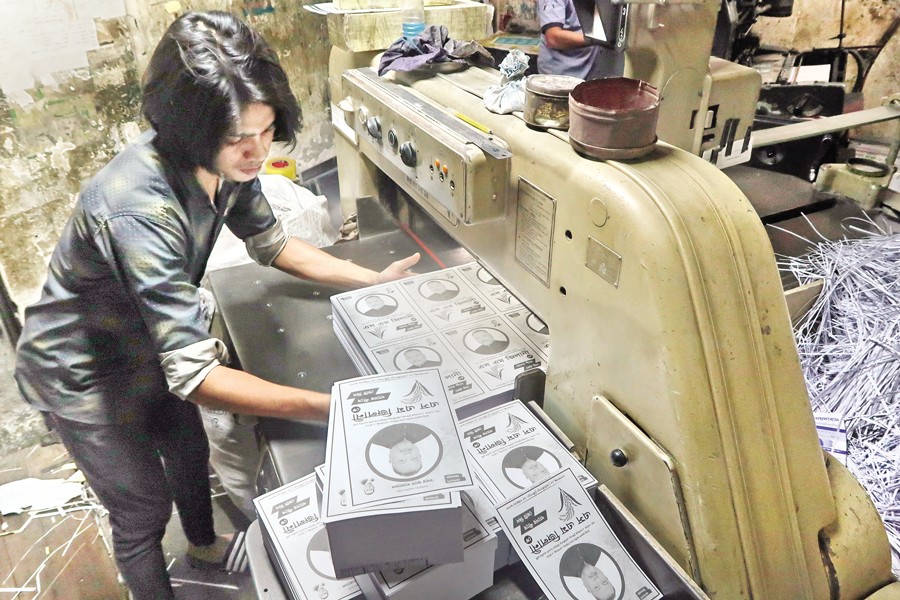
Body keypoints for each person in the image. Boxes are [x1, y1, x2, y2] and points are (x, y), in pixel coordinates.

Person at [13, 11, 419, 600]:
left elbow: (273, 244)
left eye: (267, 129)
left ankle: (204, 545)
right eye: (237, 139)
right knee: (142, 509)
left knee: (188, 450)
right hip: (82, 372)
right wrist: (335, 409)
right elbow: (197, 376)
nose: (257, 152)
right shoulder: (139, 209)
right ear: (190, 130)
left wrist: (370, 279)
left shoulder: (227, 164)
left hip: (148, 342)